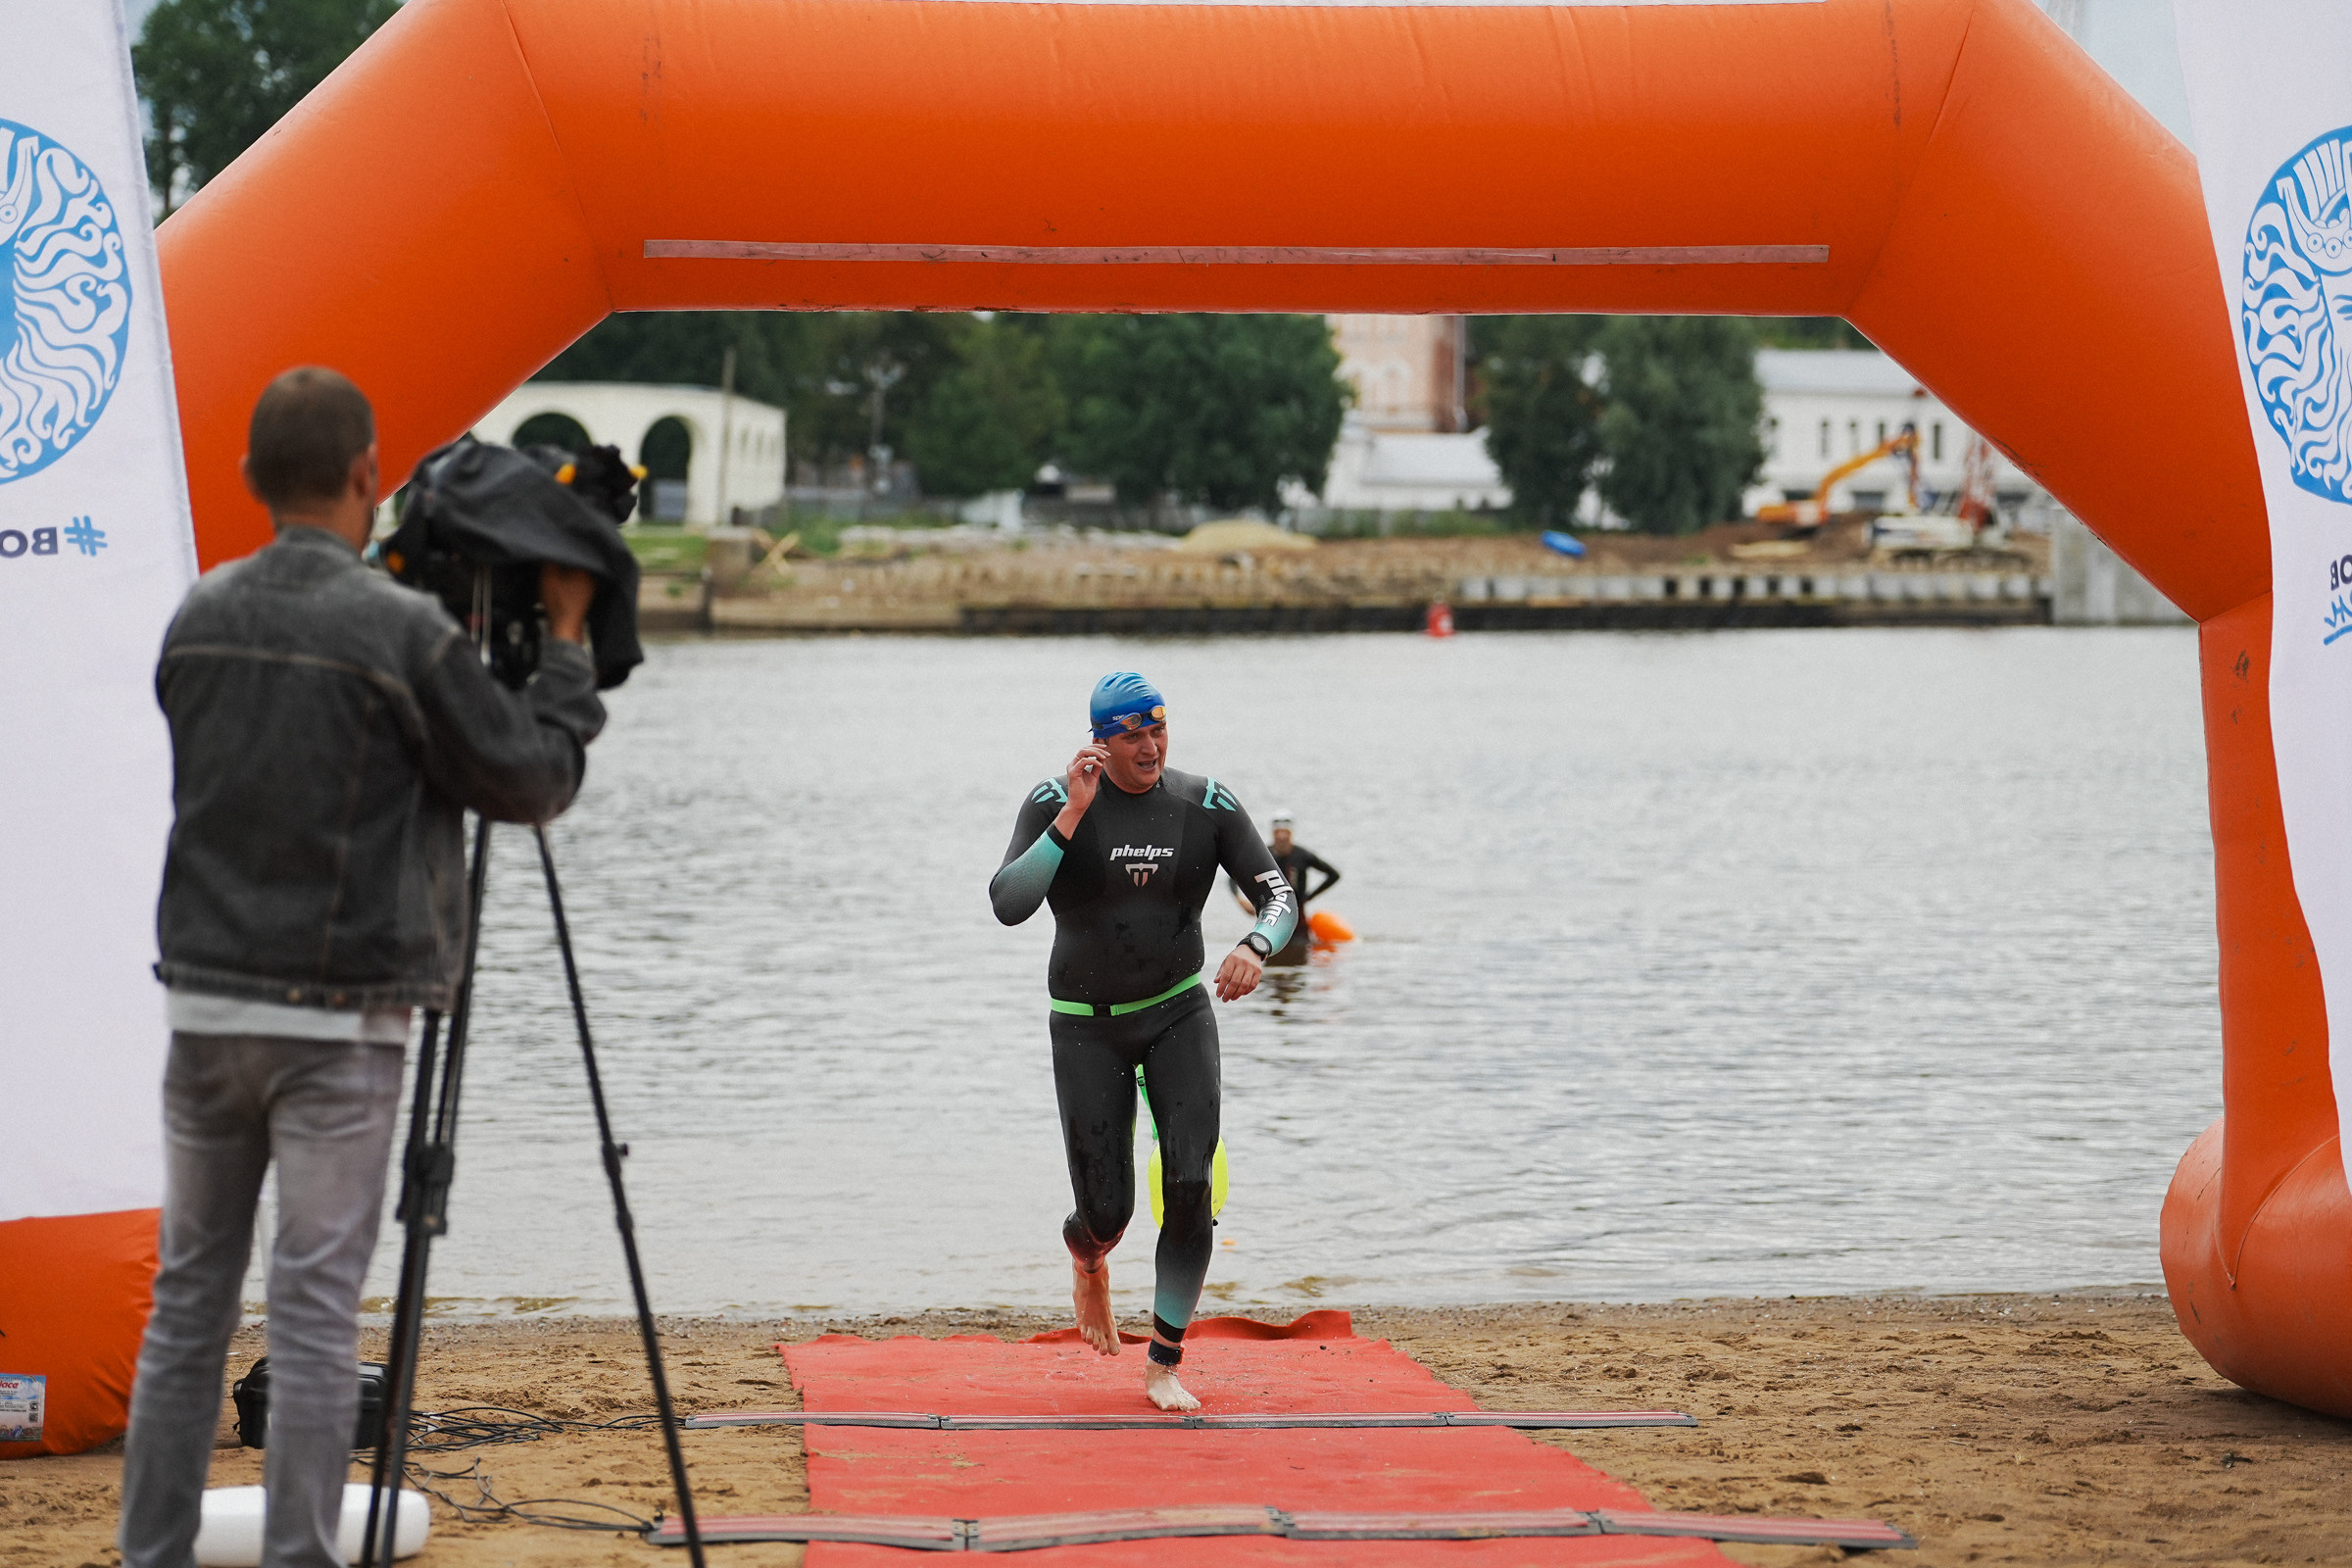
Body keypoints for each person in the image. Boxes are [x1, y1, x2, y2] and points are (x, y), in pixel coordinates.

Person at [121, 368, 607, 1568]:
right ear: (366, 477)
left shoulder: (197, 613)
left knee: (189, 1302)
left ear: (249, 479)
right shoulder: (398, 629)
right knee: (315, 1304)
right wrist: (566, 646)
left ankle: (151, 1554)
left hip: (204, 1000)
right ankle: (297, 1556)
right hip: (339, 1018)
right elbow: (530, 779)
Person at [990, 672, 1297, 1411]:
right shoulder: (1050, 801)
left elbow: (1278, 894)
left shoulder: (1205, 804)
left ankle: (1163, 1362)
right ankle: (1088, 1259)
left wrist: (1254, 946)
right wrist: (1071, 817)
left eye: (1159, 730)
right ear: (1101, 740)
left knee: (1190, 1185)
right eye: (1133, 734)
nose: (1151, 746)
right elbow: (1008, 903)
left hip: (1176, 1013)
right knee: (1108, 1212)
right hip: (1085, 1024)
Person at [1231, 810, 1343, 965]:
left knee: (1300, 960)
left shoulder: (1302, 855)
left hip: (1298, 917)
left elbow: (1333, 874)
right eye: (1278, 832)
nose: (1282, 837)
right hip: (1272, 915)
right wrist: (1241, 900)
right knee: (1271, 962)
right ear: (1273, 833)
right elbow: (1234, 874)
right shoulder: (1263, 854)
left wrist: (1310, 896)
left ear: (1291, 834)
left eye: (1286, 832)